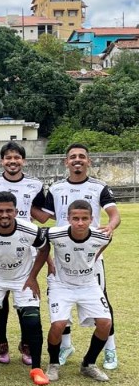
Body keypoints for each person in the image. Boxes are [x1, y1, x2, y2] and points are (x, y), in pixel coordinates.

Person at [42, 143, 120, 371]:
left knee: (102, 301)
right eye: (73, 157)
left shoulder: (99, 186)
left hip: (89, 255)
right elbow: (44, 216)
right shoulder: (55, 188)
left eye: (82, 157)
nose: (77, 160)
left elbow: (114, 215)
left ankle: (110, 348)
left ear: (89, 161)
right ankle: (65, 346)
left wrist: (109, 227)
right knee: (61, 307)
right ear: (66, 162)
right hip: (61, 254)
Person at [0, 191, 50, 385]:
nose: (4, 215)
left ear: (16, 211)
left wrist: (32, 277)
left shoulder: (30, 230)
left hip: (22, 279)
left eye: (9, 211)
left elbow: (45, 248)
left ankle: (37, 368)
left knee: (32, 322)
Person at [0, 141, 48, 366]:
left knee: (24, 299)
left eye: (16, 158)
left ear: (23, 161)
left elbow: (43, 216)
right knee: (0, 299)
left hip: (25, 248)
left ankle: (26, 342)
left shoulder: (35, 184)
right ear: (2, 161)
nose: (12, 161)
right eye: (8, 158)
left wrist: (23, 214)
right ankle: (2, 341)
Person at [45, 200, 112, 382]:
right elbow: (40, 242)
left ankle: (88, 364)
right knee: (58, 325)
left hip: (88, 284)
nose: (80, 222)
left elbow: (103, 245)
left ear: (92, 219)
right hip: (61, 284)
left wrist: (92, 260)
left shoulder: (102, 236)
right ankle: (53, 364)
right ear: (68, 219)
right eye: (75, 218)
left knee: (106, 323)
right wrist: (50, 262)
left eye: (84, 218)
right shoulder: (55, 233)